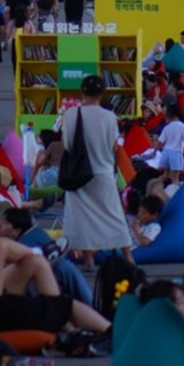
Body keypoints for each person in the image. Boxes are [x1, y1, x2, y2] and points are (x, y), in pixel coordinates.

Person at [60, 75, 134, 267]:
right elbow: (114, 146)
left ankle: (89, 259)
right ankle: (127, 255)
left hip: (79, 174)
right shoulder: (109, 117)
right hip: (103, 173)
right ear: (102, 93)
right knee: (114, 215)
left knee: (81, 218)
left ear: (82, 91)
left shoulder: (70, 115)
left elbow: (67, 145)